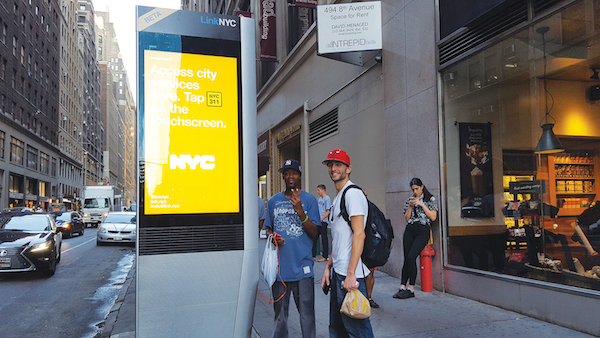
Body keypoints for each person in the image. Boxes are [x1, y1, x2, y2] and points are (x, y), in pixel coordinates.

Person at [321, 149, 374, 337]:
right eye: (330, 165)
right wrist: (328, 266)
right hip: (339, 272)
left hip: (350, 275)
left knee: (358, 330)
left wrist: (351, 274)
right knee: (337, 328)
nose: (333, 168)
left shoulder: (352, 194)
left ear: (348, 168)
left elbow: (360, 235)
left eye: (338, 164)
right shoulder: (338, 197)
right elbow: (340, 239)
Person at [264, 159, 320, 338]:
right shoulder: (273, 201)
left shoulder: (310, 200)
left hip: (303, 268)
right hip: (280, 269)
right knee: (280, 316)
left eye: (293, 172)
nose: (290, 176)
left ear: (300, 176)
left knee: (307, 315)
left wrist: (301, 212)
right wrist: (273, 238)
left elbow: (315, 233)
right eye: (286, 173)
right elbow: (268, 229)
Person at [393, 177, 438, 299]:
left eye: (417, 188)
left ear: (422, 187)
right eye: (413, 189)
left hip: (423, 230)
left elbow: (433, 217)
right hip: (410, 229)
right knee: (406, 258)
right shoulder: (410, 199)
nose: (415, 191)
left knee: (411, 256)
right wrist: (410, 206)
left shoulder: (430, 199)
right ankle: (403, 286)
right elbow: (407, 218)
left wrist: (421, 204)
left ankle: (411, 287)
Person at [314, 184, 331, 262]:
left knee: (324, 238)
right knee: (314, 237)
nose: (318, 192)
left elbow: (328, 211)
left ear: (323, 190)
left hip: (323, 221)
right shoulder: (319, 199)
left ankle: (325, 256)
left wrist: (322, 218)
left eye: (319, 190)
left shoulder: (327, 199)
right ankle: (313, 255)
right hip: (318, 221)